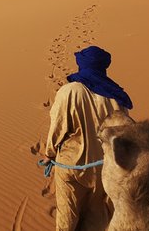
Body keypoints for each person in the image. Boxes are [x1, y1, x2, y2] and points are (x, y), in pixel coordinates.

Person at [42, 46, 133, 231]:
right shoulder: (117, 98)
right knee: (97, 216)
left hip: (72, 165)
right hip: (105, 169)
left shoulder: (70, 91)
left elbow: (58, 126)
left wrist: (49, 154)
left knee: (67, 217)